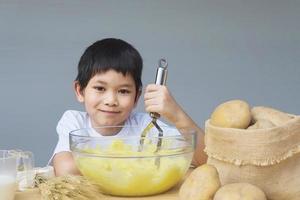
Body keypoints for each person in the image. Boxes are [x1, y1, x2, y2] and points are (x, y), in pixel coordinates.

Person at [51, 38, 207, 176]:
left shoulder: (145, 126)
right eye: (100, 88)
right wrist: (134, 162)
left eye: (123, 91)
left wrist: (177, 115)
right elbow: (66, 169)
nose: (111, 100)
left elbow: (206, 159)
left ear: (136, 97)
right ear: (80, 91)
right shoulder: (74, 121)